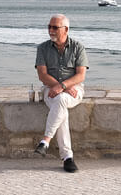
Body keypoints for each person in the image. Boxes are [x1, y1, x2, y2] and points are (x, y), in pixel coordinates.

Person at [33, 14, 87, 173]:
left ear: (66, 29)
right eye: (49, 27)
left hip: (74, 89)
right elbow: (42, 75)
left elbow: (81, 75)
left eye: (55, 27)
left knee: (61, 99)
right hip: (50, 89)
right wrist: (59, 86)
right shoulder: (42, 48)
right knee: (61, 102)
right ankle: (67, 157)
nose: (51, 30)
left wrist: (63, 85)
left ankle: (46, 141)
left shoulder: (78, 47)